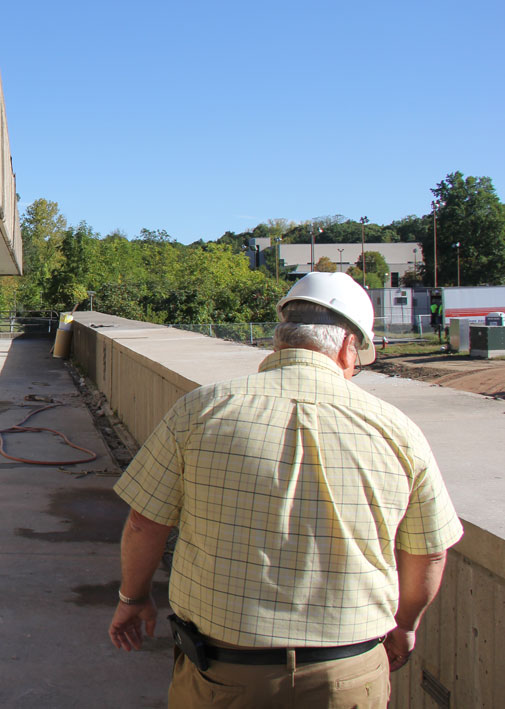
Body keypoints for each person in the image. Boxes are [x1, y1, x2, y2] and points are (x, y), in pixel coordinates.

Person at [108, 272, 463, 708]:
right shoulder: (398, 431)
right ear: (348, 346)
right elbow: (429, 551)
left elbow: (146, 523)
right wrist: (405, 626)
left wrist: (133, 597)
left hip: (224, 675)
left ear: (281, 339)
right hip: (347, 675)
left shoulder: (202, 409)